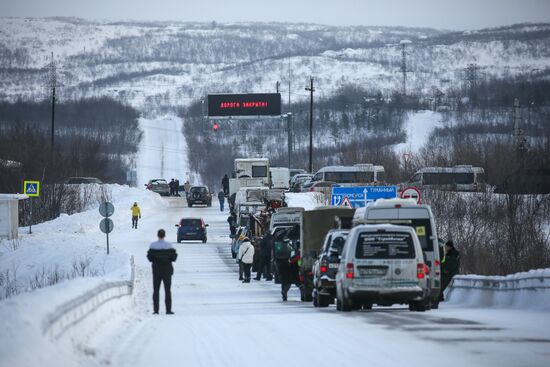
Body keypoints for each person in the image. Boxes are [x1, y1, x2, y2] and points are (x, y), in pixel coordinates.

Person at [147, 229, 178, 314]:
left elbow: (149, 258)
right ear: (164, 235)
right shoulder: (169, 245)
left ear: (158, 235)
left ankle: (156, 310)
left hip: (156, 271)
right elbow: (174, 258)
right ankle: (168, 310)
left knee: (156, 290)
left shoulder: (153, 246)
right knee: (167, 290)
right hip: (167, 271)